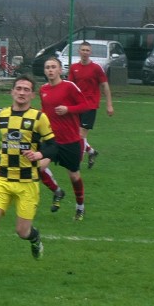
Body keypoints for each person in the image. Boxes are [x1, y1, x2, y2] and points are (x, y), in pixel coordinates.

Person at [0, 76, 58, 280]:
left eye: (27, 89)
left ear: (32, 95)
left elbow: (53, 145)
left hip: (27, 183)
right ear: (12, 92)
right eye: (19, 88)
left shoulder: (39, 117)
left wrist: (40, 154)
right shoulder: (1, 114)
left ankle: (34, 238)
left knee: (22, 231)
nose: (22, 92)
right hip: (2, 178)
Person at [38, 57, 90, 220]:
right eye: (47, 67)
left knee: (74, 176)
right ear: (45, 71)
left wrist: (68, 109)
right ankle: (57, 191)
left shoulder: (69, 87)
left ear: (60, 70)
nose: (50, 70)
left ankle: (80, 207)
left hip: (70, 141)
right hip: (51, 140)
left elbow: (85, 106)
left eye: (53, 67)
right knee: (37, 167)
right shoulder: (43, 89)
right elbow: (45, 111)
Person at [67, 40, 114, 169]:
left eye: (87, 50)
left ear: (90, 52)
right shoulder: (74, 68)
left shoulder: (96, 68)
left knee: (81, 134)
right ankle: (91, 152)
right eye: (83, 50)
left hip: (90, 105)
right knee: (76, 134)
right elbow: (70, 87)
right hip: (76, 106)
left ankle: (76, 164)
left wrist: (109, 104)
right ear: (79, 51)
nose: (85, 52)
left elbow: (105, 85)